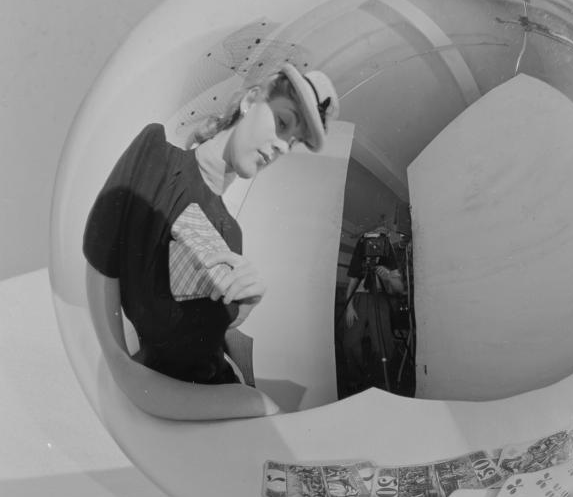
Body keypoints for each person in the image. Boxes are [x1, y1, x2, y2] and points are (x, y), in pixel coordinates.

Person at [83, 63, 339, 387]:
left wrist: (245, 306)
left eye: (294, 142)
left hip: (216, 383)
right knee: (265, 408)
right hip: (167, 390)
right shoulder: (157, 157)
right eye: (284, 122)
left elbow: (201, 334)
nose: (283, 147)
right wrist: (118, 364)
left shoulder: (231, 234)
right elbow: (101, 264)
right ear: (250, 101)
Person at [339, 226, 406, 394]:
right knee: (350, 343)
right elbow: (353, 280)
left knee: (383, 345)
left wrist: (389, 276)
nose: (375, 244)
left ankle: (379, 382)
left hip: (380, 298)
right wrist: (349, 307)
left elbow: (400, 288)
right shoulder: (361, 248)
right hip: (360, 297)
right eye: (372, 238)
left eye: (380, 239)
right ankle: (357, 379)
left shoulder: (388, 254)